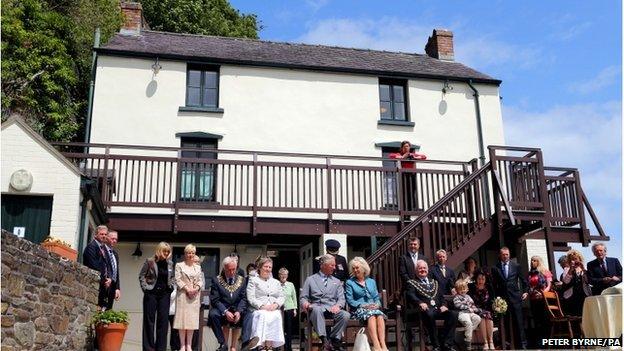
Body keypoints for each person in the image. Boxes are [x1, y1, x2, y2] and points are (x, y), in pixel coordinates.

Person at [301, 254, 350, 351]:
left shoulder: (337, 281)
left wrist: (338, 306)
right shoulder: (311, 279)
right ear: (323, 265)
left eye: (335, 265)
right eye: (332, 265)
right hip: (316, 309)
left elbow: (341, 299)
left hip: (331, 309)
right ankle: (323, 339)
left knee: (345, 315)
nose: (334, 268)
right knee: (317, 309)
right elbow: (303, 297)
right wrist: (305, 303)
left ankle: (333, 340)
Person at [406, 260, 457, 351]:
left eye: (424, 268)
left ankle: (447, 343)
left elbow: (441, 297)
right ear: (416, 270)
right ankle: (436, 345)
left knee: (453, 314)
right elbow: (410, 295)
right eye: (420, 268)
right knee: (429, 314)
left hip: (437, 309)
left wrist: (444, 305)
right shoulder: (412, 282)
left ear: (428, 270)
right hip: (422, 311)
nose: (423, 270)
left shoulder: (434, 282)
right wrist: (420, 302)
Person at [345, 257, 387, 351]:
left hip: (374, 309)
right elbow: (350, 300)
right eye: (353, 268)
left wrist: (377, 304)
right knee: (372, 315)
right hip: (359, 310)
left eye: (357, 268)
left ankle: (383, 345)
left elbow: (376, 298)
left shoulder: (371, 281)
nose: (355, 270)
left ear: (364, 268)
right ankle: (376, 345)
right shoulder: (350, 282)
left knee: (379, 316)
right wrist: (363, 305)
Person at [139, 242, 175, 351]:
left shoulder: (170, 264)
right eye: (164, 251)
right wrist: (146, 289)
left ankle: (160, 348)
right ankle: (148, 348)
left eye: (168, 251)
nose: (166, 253)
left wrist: (171, 287)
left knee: (163, 322)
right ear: (159, 250)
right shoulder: (150, 261)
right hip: (151, 294)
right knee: (149, 321)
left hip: (165, 295)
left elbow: (172, 277)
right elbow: (142, 276)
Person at [490, 247, 528, 349]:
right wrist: (495, 299)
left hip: (515, 298)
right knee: (505, 323)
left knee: (518, 322)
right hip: (502, 300)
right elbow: (493, 285)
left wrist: (525, 292)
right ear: (500, 255)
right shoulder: (495, 268)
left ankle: (522, 345)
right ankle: (506, 344)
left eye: (507, 254)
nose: (505, 256)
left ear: (509, 254)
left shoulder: (516, 266)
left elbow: (524, 281)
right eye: (503, 254)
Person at [210, 256, 249, 351]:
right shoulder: (217, 280)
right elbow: (215, 300)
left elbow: (243, 298)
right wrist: (225, 311)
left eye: (234, 269)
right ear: (224, 268)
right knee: (213, 314)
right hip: (223, 308)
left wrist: (239, 311)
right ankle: (223, 343)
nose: (231, 272)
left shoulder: (242, 280)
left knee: (248, 314)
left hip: (237, 308)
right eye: (229, 270)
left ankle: (240, 345)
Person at [247, 257, 285, 350]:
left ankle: (270, 346)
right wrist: (262, 306)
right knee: (263, 315)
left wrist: (276, 304)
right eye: (266, 266)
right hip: (259, 309)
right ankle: (261, 345)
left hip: (273, 308)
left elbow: (282, 296)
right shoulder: (253, 280)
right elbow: (251, 297)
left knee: (276, 315)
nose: (268, 269)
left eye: (270, 267)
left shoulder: (276, 282)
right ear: (260, 267)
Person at [174, 244, 205, 351]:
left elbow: (200, 280)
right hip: (183, 295)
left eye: (192, 252)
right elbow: (177, 279)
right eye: (188, 252)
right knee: (182, 321)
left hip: (194, 297)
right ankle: (182, 345)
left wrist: (196, 289)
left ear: (195, 254)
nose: (190, 255)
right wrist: (188, 289)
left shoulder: (198, 267)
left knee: (191, 321)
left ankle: (189, 345)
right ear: (185, 254)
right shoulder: (179, 265)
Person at [389, 141, 427, 212]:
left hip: (411, 175)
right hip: (404, 175)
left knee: (411, 192)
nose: (406, 148)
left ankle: (410, 209)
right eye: (405, 146)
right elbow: (391, 156)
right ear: (402, 148)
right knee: (404, 192)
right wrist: (402, 157)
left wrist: (415, 157)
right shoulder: (399, 154)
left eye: (407, 146)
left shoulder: (412, 154)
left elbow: (424, 157)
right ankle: (405, 209)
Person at [83, 225, 112, 310]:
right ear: (95, 235)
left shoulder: (103, 248)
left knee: (101, 308)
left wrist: (109, 278)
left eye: (105, 234)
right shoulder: (91, 247)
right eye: (101, 234)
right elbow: (93, 265)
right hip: (94, 283)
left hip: (103, 284)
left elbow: (107, 265)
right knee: (95, 308)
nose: (104, 236)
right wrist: (104, 280)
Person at [527, 255, 552, 343]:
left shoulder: (545, 271)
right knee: (537, 320)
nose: (532, 262)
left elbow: (549, 285)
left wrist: (542, 293)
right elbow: (529, 286)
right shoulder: (530, 274)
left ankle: (548, 340)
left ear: (539, 262)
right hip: (533, 299)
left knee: (545, 319)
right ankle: (540, 341)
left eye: (534, 260)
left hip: (543, 299)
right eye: (531, 260)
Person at [468, 271, 495, 350]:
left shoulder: (489, 287)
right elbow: (470, 301)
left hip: (488, 310)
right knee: (483, 317)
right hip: (476, 310)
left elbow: (493, 300)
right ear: (476, 279)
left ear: (486, 279)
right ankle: (486, 342)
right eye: (479, 279)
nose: (481, 281)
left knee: (487, 316)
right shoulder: (471, 287)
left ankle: (491, 341)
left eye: (483, 279)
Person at [560, 249, 592, 316]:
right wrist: (571, 269)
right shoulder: (567, 269)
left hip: (584, 294)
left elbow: (589, 281)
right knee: (575, 315)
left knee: (586, 314)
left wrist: (583, 269)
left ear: (579, 259)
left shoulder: (584, 268)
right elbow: (566, 282)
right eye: (572, 259)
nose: (574, 261)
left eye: (575, 259)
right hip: (572, 296)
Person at [453, 280, 482, 351]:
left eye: (464, 288)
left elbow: (472, 305)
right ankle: (468, 342)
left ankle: (467, 334)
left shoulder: (468, 296)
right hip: (462, 313)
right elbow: (458, 305)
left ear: (467, 289)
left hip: (470, 313)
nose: (463, 290)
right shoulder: (456, 297)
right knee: (468, 323)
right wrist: (468, 308)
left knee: (478, 318)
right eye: (460, 289)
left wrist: (476, 309)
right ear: (457, 290)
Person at [278, 268, 297, 351]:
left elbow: (294, 297)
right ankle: (280, 347)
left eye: (285, 274)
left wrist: (295, 309)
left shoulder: (291, 284)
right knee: (280, 328)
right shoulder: (276, 284)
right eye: (282, 274)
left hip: (289, 309)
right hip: (279, 310)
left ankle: (288, 347)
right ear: (279, 275)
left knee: (289, 329)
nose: (284, 276)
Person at [104, 230, 121, 310]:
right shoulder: (102, 250)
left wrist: (117, 288)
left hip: (113, 286)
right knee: (101, 309)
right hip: (105, 284)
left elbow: (116, 272)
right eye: (112, 238)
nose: (114, 241)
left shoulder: (115, 254)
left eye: (116, 239)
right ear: (107, 238)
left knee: (108, 310)